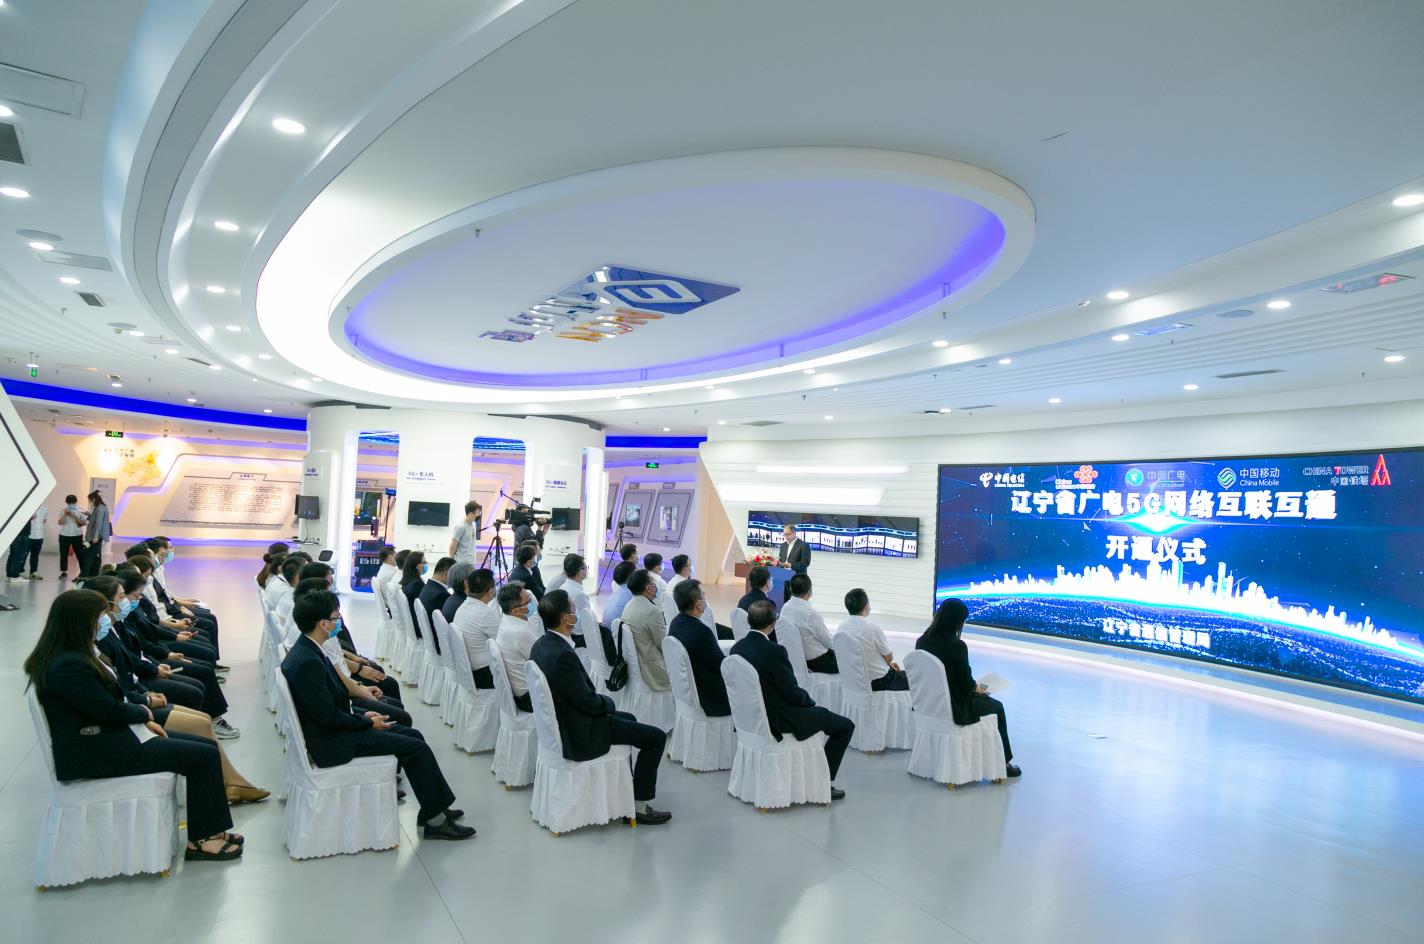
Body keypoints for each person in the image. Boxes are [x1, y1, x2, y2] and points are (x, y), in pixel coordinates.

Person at [25, 589, 243, 861]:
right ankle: (203, 839)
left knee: (205, 747)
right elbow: (108, 709)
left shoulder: (73, 656)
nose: (106, 620)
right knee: (203, 757)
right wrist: (143, 713)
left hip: (106, 737)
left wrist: (141, 717)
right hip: (96, 751)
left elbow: (108, 704)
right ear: (81, 622)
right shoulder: (69, 665)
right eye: (100, 616)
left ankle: (211, 831)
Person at [283, 590, 473, 840]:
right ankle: (435, 822)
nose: (339, 620)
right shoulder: (308, 661)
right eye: (335, 616)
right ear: (323, 624)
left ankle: (433, 809)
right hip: (333, 741)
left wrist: (362, 710)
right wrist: (366, 722)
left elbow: (329, 703)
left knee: (414, 736)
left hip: (338, 728)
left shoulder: (309, 649)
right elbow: (327, 717)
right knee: (416, 749)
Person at [87, 574, 269, 804]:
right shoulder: (86, 653)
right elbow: (114, 693)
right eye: (122, 597)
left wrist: (145, 690)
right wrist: (145, 703)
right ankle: (230, 783)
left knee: (203, 719)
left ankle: (232, 781)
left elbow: (127, 668)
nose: (128, 602)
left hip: (136, 694)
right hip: (129, 713)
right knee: (196, 705)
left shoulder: (108, 630)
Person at [530, 589, 671, 825]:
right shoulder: (562, 656)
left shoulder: (542, 644)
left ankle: (622, 793)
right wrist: (609, 703)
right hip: (579, 729)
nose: (576, 614)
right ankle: (639, 805)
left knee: (630, 719)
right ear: (565, 618)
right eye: (573, 611)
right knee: (656, 738)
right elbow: (588, 702)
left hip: (566, 718)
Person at [731, 601, 853, 798]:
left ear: (748, 621)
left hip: (752, 718)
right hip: (779, 719)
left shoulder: (737, 649)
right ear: (773, 623)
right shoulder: (774, 651)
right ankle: (823, 783)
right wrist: (810, 703)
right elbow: (792, 692)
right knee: (845, 726)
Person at [915, 598, 1019, 777]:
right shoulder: (957, 646)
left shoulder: (922, 641)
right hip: (955, 707)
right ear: (957, 622)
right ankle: (1004, 763)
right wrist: (975, 688)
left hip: (928, 705)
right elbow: (964, 683)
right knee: (997, 707)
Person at [667, 578, 729, 717]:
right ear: (699, 604)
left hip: (688, 691)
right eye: (703, 594)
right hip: (708, 696)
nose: (705, 598)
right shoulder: (701, 632)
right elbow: (721, 666)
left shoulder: (676, 623)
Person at [837, 588, 907, 691]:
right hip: (879, 682)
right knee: (914, 677)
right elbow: (888, 657)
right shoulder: (873, 628)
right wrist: (887, 664)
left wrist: (886, 665)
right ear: (866, 606)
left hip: (855, 681)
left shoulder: (841, 628)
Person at [620, 569, 670, 692]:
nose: (656, 586)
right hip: (653, 669)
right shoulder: (653, 611)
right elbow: (664, 644)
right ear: (648, 588)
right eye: (653, 582)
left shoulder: (629, 605)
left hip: (634, 665)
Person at [493, 581, 538, 711]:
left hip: (522, 689)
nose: (532, 603)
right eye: (528, 601)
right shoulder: (519, 632)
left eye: (529, 597)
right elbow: (542, 660)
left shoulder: (507, 620)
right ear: (516, 610)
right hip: (530, 696)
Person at [452, 568, 500, 688]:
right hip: (483, 673)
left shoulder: (462, 607)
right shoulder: (485, 613)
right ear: (491, 591)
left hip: (466, 669)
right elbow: (501, 643)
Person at [780, 574, 837, 673]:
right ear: (810, 591)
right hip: (820, 661)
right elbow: (828, 641)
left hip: (796, 659)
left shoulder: (785, 608)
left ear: (790, 589)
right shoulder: (810, 614)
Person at [417, 556, 455, 653]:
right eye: (455, 576)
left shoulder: (427, 586)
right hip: (440, 645)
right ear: (446, 574)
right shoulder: (441, 595)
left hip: (428, 641)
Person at [80, 490, 112, 578]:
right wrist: (89, 514)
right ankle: (93, 574)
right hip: (94, 536)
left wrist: (96, 536)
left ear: (94, 499)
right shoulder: (100, 508)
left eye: (90, 500)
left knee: (88, 555)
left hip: (95, 537)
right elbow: (95, 519)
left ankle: (84, 575)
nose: (90, 502)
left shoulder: (100, 508)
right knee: (95, 555)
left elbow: (99, 523)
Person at [56, 495, 87, 579]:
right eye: (69, 503)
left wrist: (74, 517)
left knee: (80, 554)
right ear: (66, 503)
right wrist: (65, 515)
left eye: (72, 503)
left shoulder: (80, 510)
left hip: (77, 535)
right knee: (63, 554)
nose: (71, 504)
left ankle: (83, 571)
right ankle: (63, 572)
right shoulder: (63, 510)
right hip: (64, 534)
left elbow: (84, 522)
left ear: (76, 502)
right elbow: (60, 523)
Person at [400, 550, 428, 642]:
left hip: (412, 625)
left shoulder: (407, 581)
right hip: (419, 628)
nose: (426, 564)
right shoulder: (417, 585)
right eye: (424, 562)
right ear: (416, 565)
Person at [602, 560, 637, 629]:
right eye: (636, 572)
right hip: (618, 632)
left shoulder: (617, 591)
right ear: (631, 576)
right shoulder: (632, 593)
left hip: (606, 630)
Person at [448, 501, 482, 566]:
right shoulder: (460, 526)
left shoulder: (474, 524)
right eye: (477, 513)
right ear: (471, 513)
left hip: (471, 562)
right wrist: (452, 563)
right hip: (461, 563)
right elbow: (452, 547)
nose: (478, 515)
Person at [19, 503, 46, 580]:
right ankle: (19, 571)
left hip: (39, 535)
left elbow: (44, 521)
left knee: (35, 555)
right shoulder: (29, 507)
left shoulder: (45, 509)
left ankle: (33, 572)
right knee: (24, 554)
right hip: (29, 535)